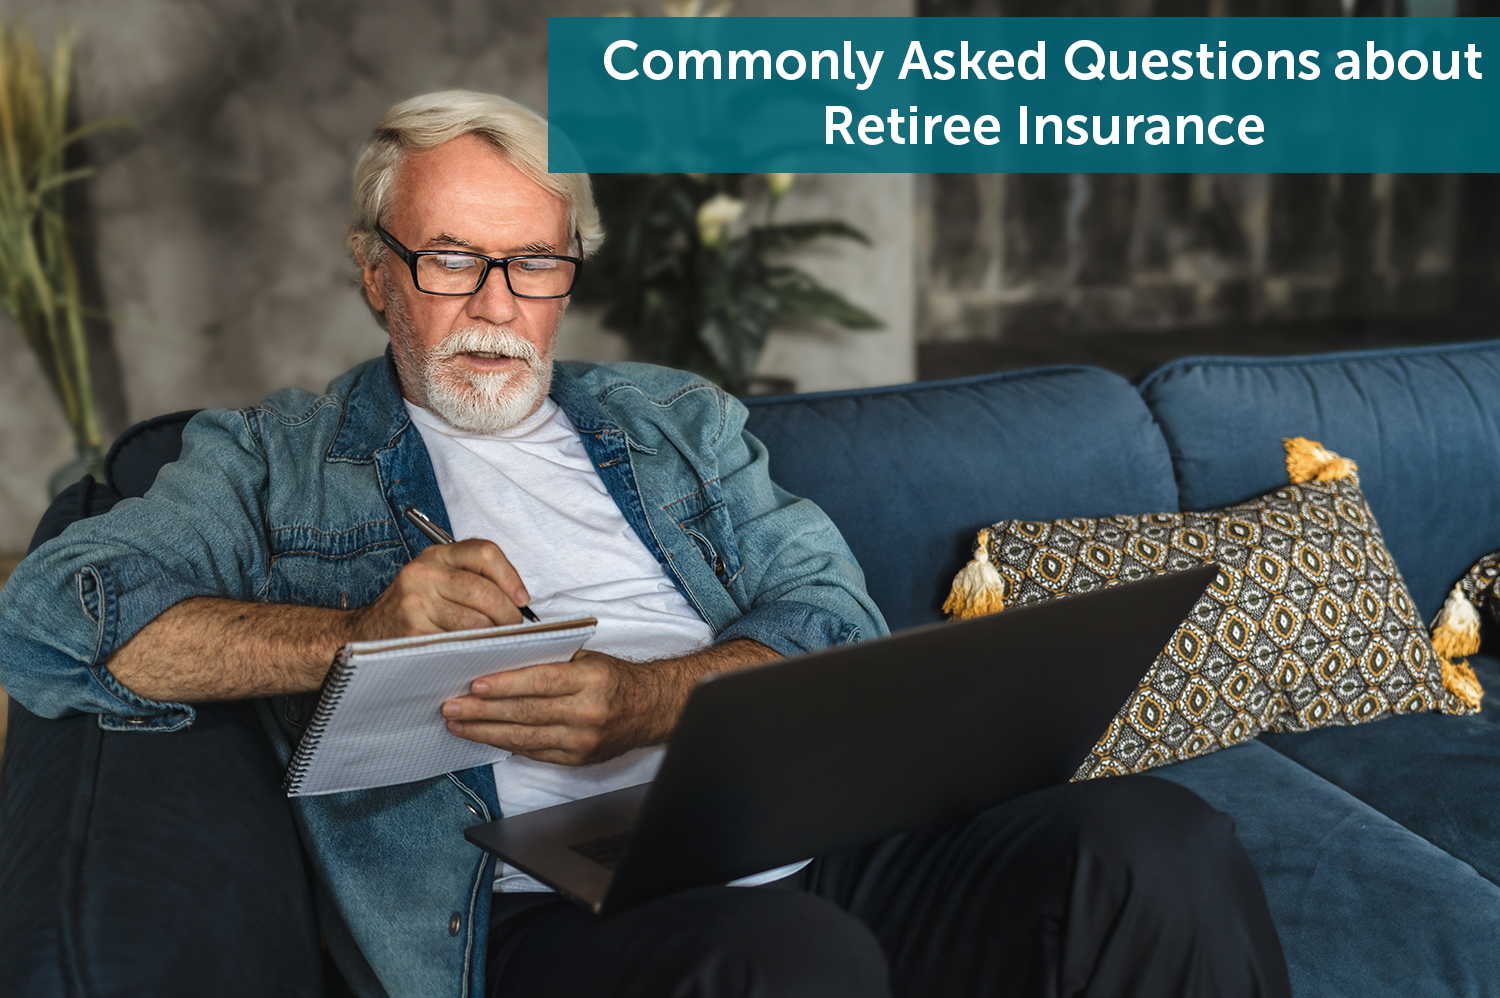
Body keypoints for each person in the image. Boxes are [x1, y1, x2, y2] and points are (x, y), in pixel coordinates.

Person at [0, 90, 1291, 998]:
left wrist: (653, 699)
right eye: (453, 260)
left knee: (1154, 841)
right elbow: (53, 615)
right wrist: (357, 635)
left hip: (814, 823)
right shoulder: (268, 454)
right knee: (785, 958)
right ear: (375, 271)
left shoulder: (674, 418)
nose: (498, 306)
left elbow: (829, 610)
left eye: (535, 264)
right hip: (544, 905)